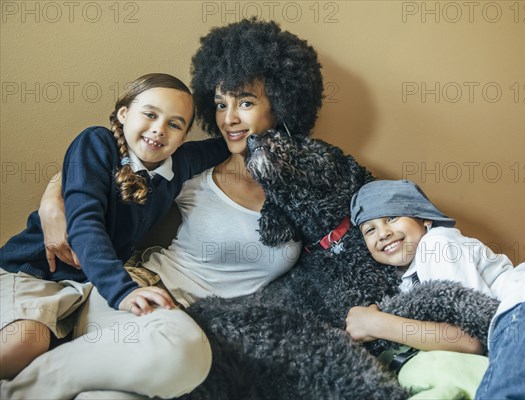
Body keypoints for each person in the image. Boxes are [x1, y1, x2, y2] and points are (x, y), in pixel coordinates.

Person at [1, 18, 324, 399]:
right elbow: (87, 203)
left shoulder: (301, 179)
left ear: (282, 103)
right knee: (176, 356)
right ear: (124, 113)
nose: (228, 118)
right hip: (116, 286)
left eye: (246, 103)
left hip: (137, 304)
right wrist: (54, 196)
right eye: (220, 104)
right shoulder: (161, 164)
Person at [0, 73, 229, 396]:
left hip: (88, 288)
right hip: (34, 272)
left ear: (182, 137)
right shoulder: (96, 143)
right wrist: (122, 292)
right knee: (23, 345)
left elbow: (224, 144)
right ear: (124, 114)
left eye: (175, 124)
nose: (159, 129)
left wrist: (262, 125)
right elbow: (84, 222)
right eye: (150, 114)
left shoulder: (179, 164)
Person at [346, 179, 525, 399]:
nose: (383, 233)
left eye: (392, 217)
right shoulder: (409, 280)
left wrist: (376, 324)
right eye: (370, 229)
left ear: (424, 219)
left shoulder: (437, 244)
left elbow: (468, 339)